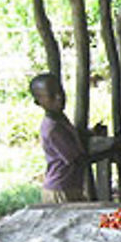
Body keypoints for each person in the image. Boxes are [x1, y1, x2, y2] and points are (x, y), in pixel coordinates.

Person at [30, 73, 88, 203]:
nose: (59, 97)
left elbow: (72, 137)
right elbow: (76, 158)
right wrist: (109, 148)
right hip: (60, 190)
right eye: (51, 95)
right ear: (38, 101)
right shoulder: (53, 128)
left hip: (68, 187)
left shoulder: (59, 118)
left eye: (60, 91)